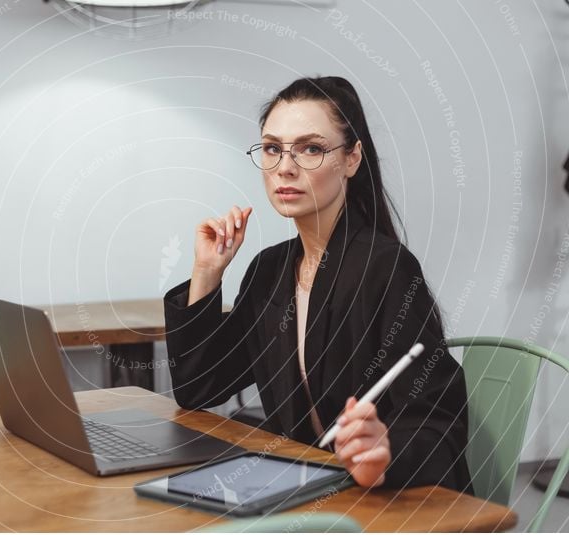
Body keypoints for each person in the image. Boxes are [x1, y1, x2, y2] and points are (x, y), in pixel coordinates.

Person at [163, 76, 473, 493]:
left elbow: (439, 417)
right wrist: (207, 272)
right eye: (273, 149)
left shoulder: (385, 268)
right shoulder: (268, 271)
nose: (285, 168)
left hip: (387, 499)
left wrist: (384, 451)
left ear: (351, 159)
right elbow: (198, 387)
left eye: (310, 148)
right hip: (302, 487)